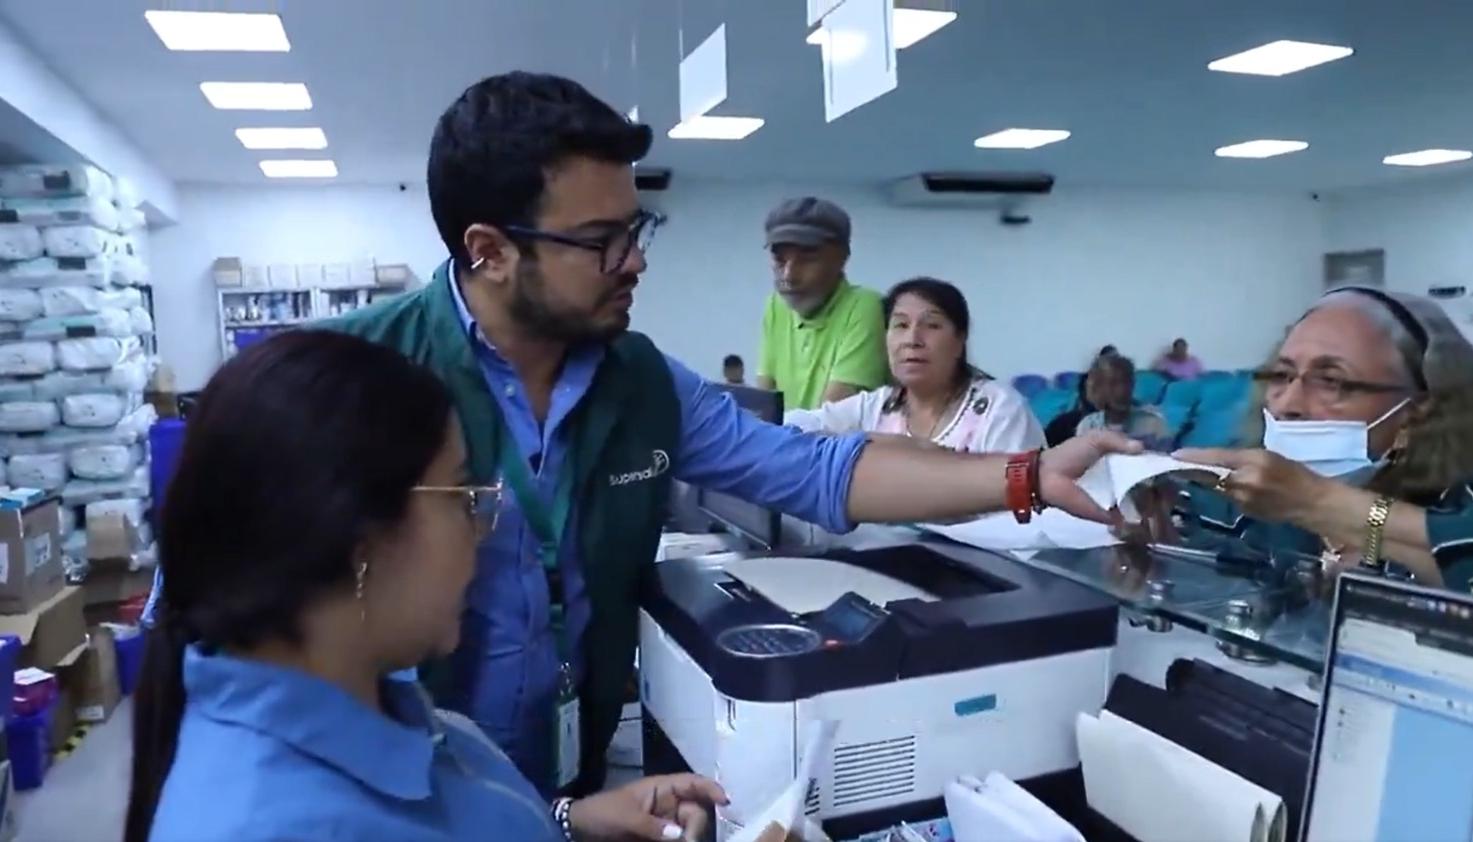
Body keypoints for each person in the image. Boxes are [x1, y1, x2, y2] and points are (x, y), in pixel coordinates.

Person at [322, 71, 1137, 797]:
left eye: (635, 232)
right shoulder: (351, 371)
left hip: (572, 781)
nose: (633, 262)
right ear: (490, 251)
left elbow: (817, 470)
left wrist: (1026, 475)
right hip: (390, 788)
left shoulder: (638, 380)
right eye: (601, 242)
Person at [125, 331, 733, 842]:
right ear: (360, 540)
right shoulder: (276, 823)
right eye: (462, 496)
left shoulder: (366, 691)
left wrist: (570, 822)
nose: (483, 529)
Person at [1175, 287, 1473, 588]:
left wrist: (1311, 501)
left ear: (1417, 411)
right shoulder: (1252, 506)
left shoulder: (1458, 506)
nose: (1287, 406)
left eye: (1331, 381)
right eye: (1282, 376)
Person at [785, 277, 1044, 453]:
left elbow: (1018, 508)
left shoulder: (999, 409)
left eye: (931, 325)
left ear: (960, 339)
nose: (912, 340)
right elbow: (797, 425)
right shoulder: (877, 407)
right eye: (900, 325)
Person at [754, 196, 888, 410]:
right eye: (780, 260)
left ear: (842, 257)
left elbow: (832, 419)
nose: (788, 275)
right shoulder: (775, 305)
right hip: (785, 441)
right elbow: (763, 402)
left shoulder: (865, 306)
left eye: (807, 260)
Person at [1076, 353, 1170, 450]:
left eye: (1127, 382)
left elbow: (1169, 463)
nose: (1122, 390)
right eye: (1113, 383)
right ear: (1098, 388)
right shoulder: (1087, 426)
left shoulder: (1153, 424)